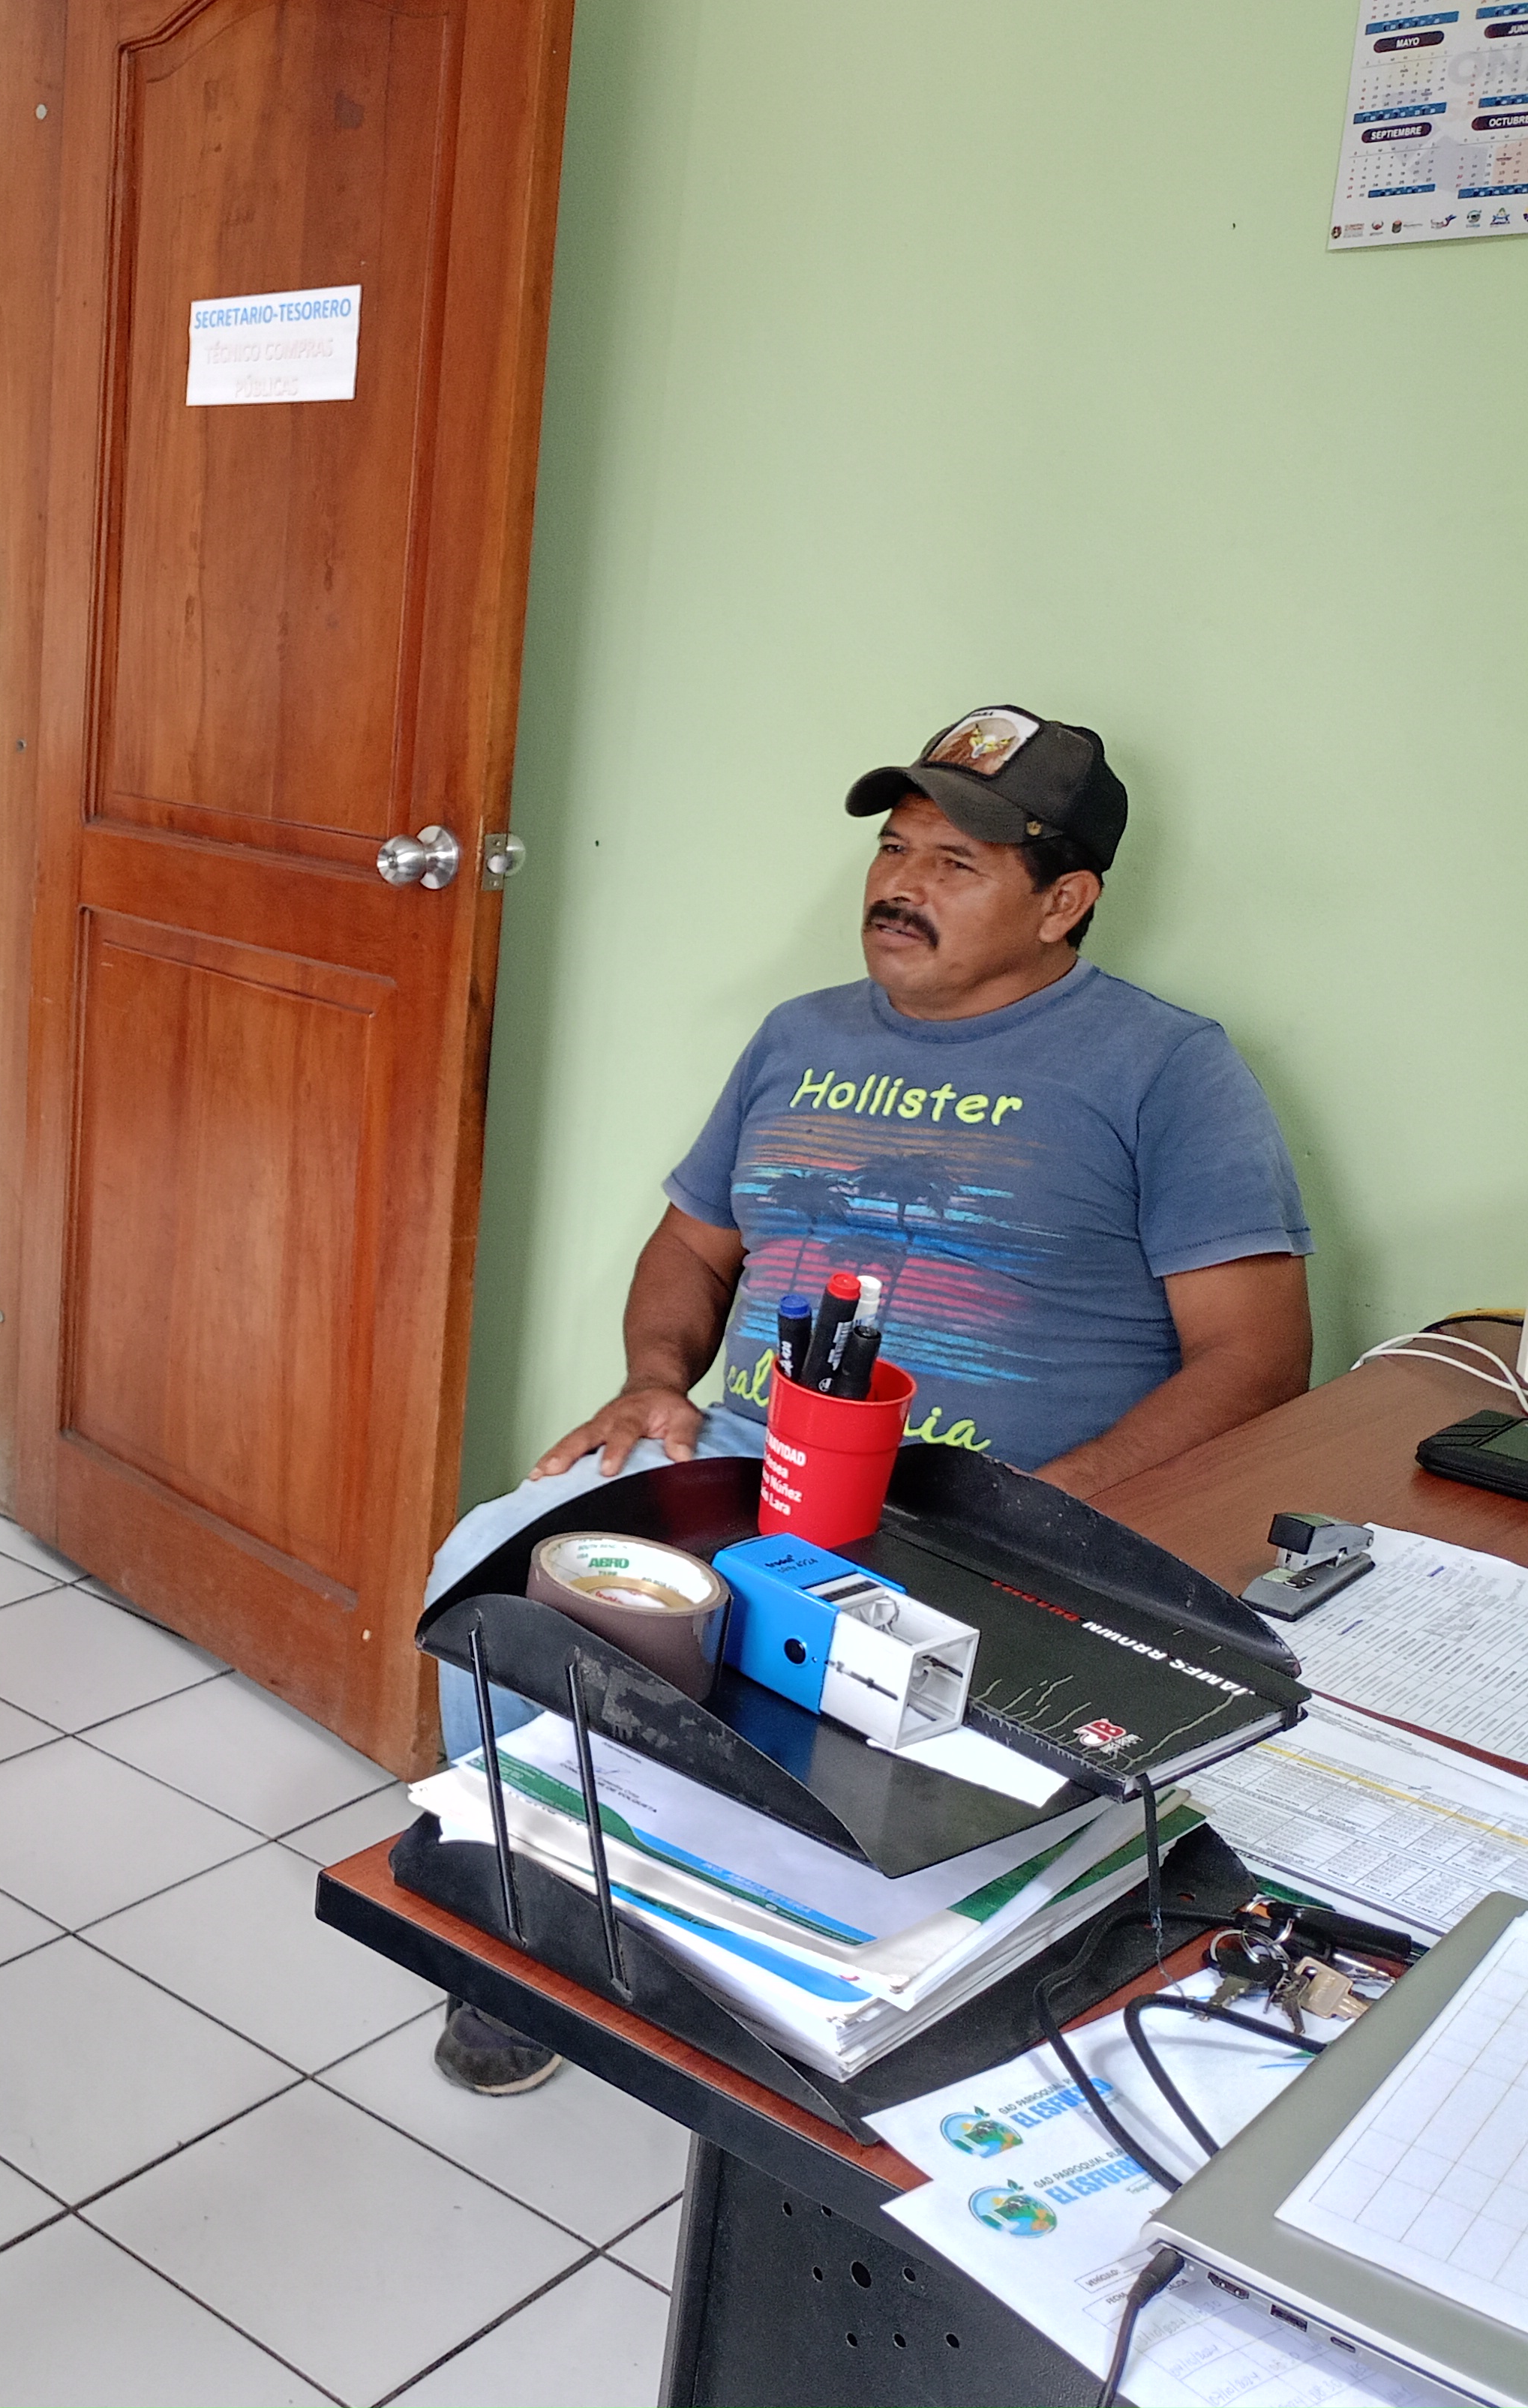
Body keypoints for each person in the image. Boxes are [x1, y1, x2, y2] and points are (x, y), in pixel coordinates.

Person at [422, 706, 1313, 2095]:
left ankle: (777, 1997)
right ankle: (529, 1935)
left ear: (1065, 901)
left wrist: (1049, 1513)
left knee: (844, 1756)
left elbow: (1257, 1359)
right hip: (745, 1465)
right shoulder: (799, 1036)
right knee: (495, 1563)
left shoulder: (1165, 1068)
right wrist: (654, 1382)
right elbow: (693, 1247)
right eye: (895, 850)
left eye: (956, 864)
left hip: (981, 1518)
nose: (901, 886)